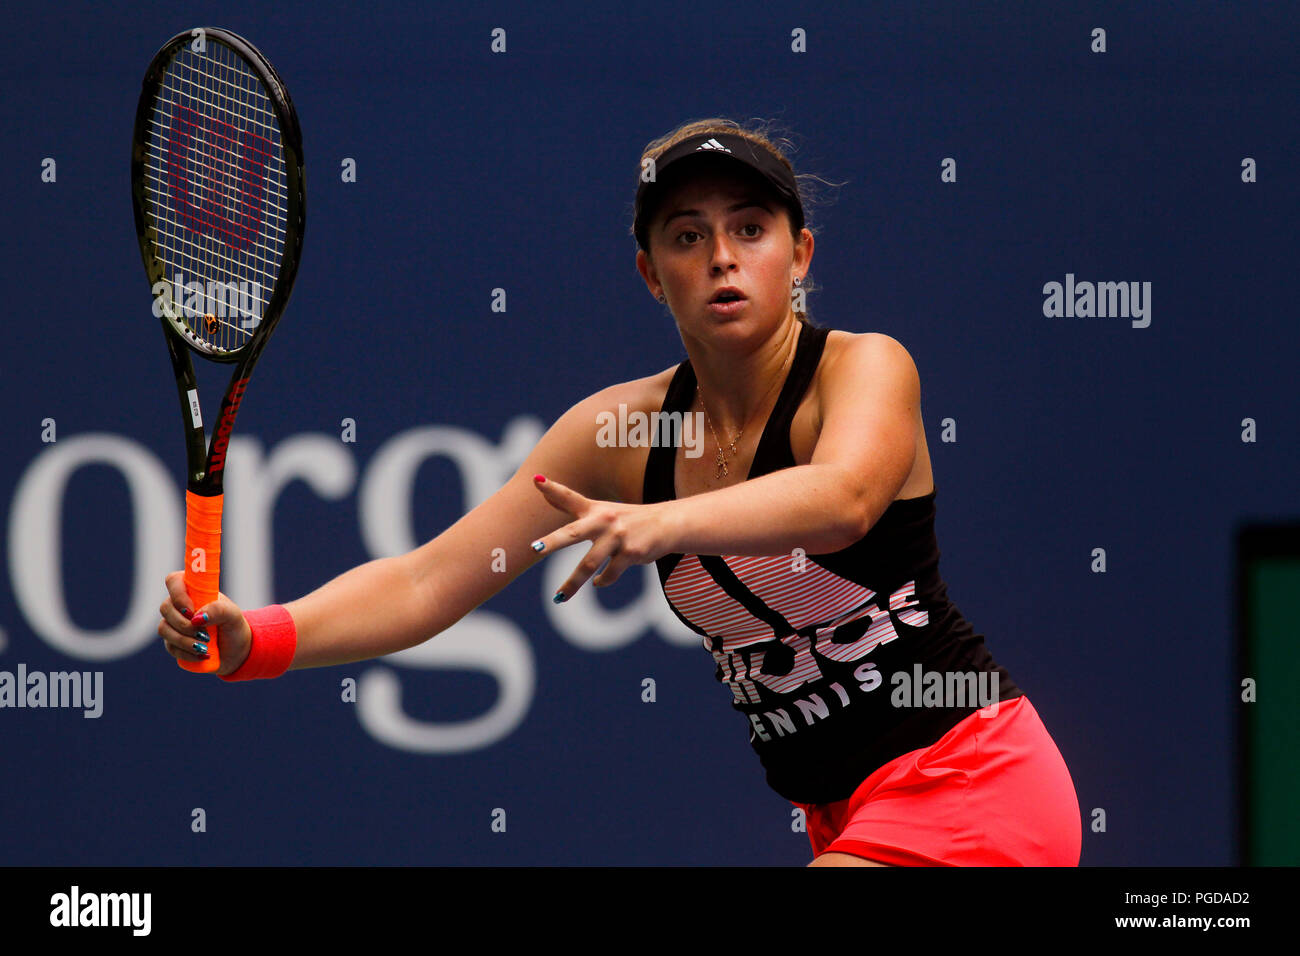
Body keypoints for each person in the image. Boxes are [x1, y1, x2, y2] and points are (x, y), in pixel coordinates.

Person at [158, 117, 1082, 867]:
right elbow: (426, 582)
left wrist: (656, 523)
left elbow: (842, 499)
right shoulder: (613, 432)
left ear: (799, 255)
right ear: (651, 274)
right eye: (688, 236)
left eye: (750, 230)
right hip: (842, 817)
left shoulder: (864, 370)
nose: (723, 257)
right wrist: (261, 638)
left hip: (969, 780)